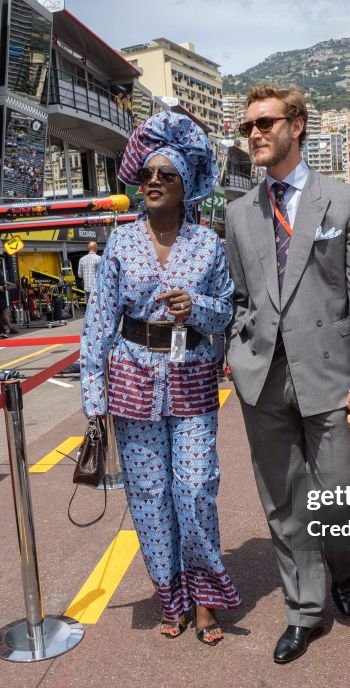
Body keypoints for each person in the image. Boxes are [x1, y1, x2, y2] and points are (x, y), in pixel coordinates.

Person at [225, 84, 350, 664]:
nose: (254, 135)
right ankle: (305, 611)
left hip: (330, 375)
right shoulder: (240, 212)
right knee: (285, 503)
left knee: (338, 497)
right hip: (262, 379)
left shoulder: (344, 201)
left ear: (297, 126)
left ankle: (344, 568)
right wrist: (236, 352)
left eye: (264, 123)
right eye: (247, 128)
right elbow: (242, 295)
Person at [80, 111, 240, 645]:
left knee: (194, 489)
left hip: (192, 379)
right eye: (146, 174)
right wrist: (93, 398)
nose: (151, 182)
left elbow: (225, 316)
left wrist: (194, 307)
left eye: (165, 175)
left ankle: (206, 599)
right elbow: (99, 322)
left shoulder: (209, 246)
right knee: (149, 494)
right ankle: (170, 597)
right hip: (131, 381)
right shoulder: (120, 245)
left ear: (186, 185)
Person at [0, 256, 18, 334]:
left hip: (1, 294)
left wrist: (11, 284)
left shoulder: (0, 271)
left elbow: (3, 281)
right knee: (3, 311)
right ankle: (10, 328)